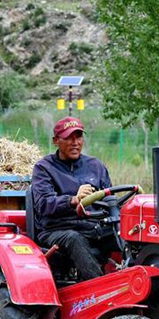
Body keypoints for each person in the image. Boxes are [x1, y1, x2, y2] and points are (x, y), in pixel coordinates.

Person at [31, 117, 114, 281]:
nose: (75, 142)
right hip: (57, 230)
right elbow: (43, 204)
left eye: (78, 137)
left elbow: (110, 200)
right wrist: (73, 200)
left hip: (93, 226)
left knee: (125, 233)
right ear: (56, 141)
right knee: (74, 239)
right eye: (69, 137)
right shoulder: (44, 168)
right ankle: (97, 290)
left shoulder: (96, 166)